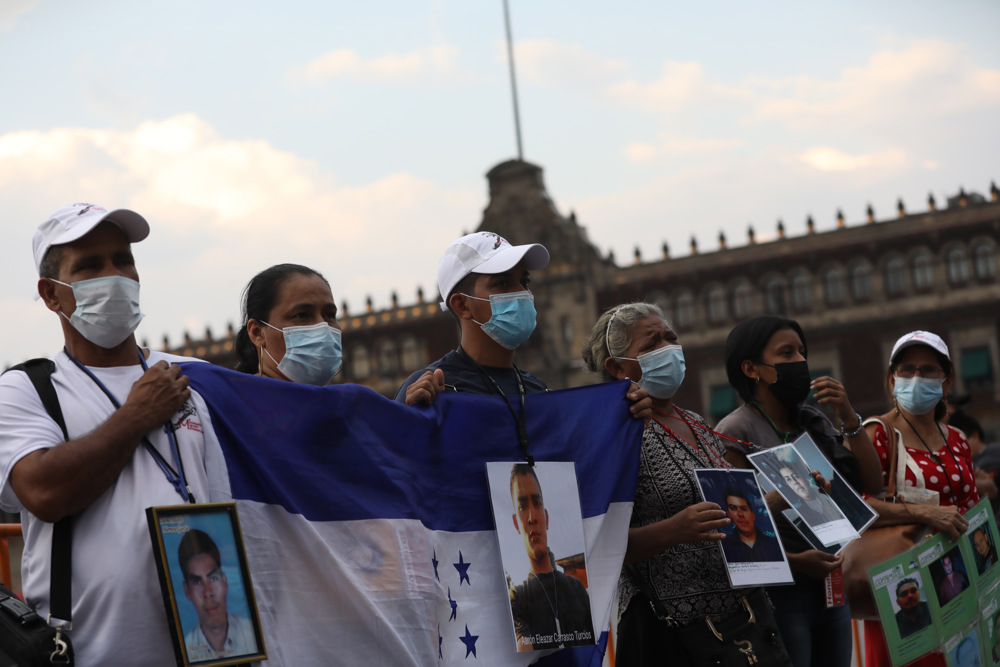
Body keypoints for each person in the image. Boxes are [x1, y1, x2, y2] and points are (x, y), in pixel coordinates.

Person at [0, 203, 222, 666]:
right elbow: (43, 490)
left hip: (214, 649)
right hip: (89, 655)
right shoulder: (28, 389)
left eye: (123, 260)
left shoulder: (193, 380)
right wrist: (137, 415)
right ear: (51, 294)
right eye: (89, 266)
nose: (114, 275)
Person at [581, 302, 788, 665]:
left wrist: (774, 501)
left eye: (670, 338)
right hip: (672, 634)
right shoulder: (611, 436)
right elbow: (598, 544)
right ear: (617, 367)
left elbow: (724, 515)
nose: (668, 348)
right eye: (651, 345)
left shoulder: (694, 421)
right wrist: (675, 529)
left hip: (745, 622)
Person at [717, 315, 883, 667]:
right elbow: (736, 536)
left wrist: (849, 418)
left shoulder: (813, 421)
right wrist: (795, 563)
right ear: (752, 368)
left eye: (802, 352)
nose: (801, 362)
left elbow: (873, 484)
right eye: (787, 353)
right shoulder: (734, 434)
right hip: (782, 596)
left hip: (831, 587)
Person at [394, 232, 650, 420]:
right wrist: (409, 420)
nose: (523, 293)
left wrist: (627, 417)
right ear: (462, 305)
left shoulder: (537, 390)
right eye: (503, 284)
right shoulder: (433, 388)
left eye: (524, 281)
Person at [862, 330, 979, 667]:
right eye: (907, 369)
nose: (917, 378)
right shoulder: (879, 434)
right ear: (891, 378)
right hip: (902, 586)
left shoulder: (957, 439)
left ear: (946, 380)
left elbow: (972, 508)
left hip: (955, 581)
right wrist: (926, 513)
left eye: (928, 370)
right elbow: (856, 505)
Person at [507, 464, 594, 651]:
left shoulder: (577, 589)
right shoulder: (517, 598)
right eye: (522, 506)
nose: (532, 517)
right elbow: (524, 653)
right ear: (516, 523)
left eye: (537, 503)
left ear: (546, 517)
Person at [234, 263, 343, 384]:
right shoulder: (233, 401)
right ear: (257, 333)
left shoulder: (355, 401)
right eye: (301, 315)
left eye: (330, 315)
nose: (323, 327)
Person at [178, 529, 257, 660]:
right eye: (197, 582)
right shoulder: (185, 652)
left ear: (225, 582)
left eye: (213, 578)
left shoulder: (253, 634)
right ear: (187, 591)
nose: (208, 592)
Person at [771, 457, 843, 527]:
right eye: (788, 480)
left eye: (795, 476)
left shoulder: (835, 492)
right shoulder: (802, 522)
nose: (795, 482)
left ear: (803, 476)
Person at [721, 486, 784, 562]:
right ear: (729, 514)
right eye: (733, 508)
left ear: (753, 513)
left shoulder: (774, 544)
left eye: (744, 509)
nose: (740, 514)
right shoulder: (724, 547)